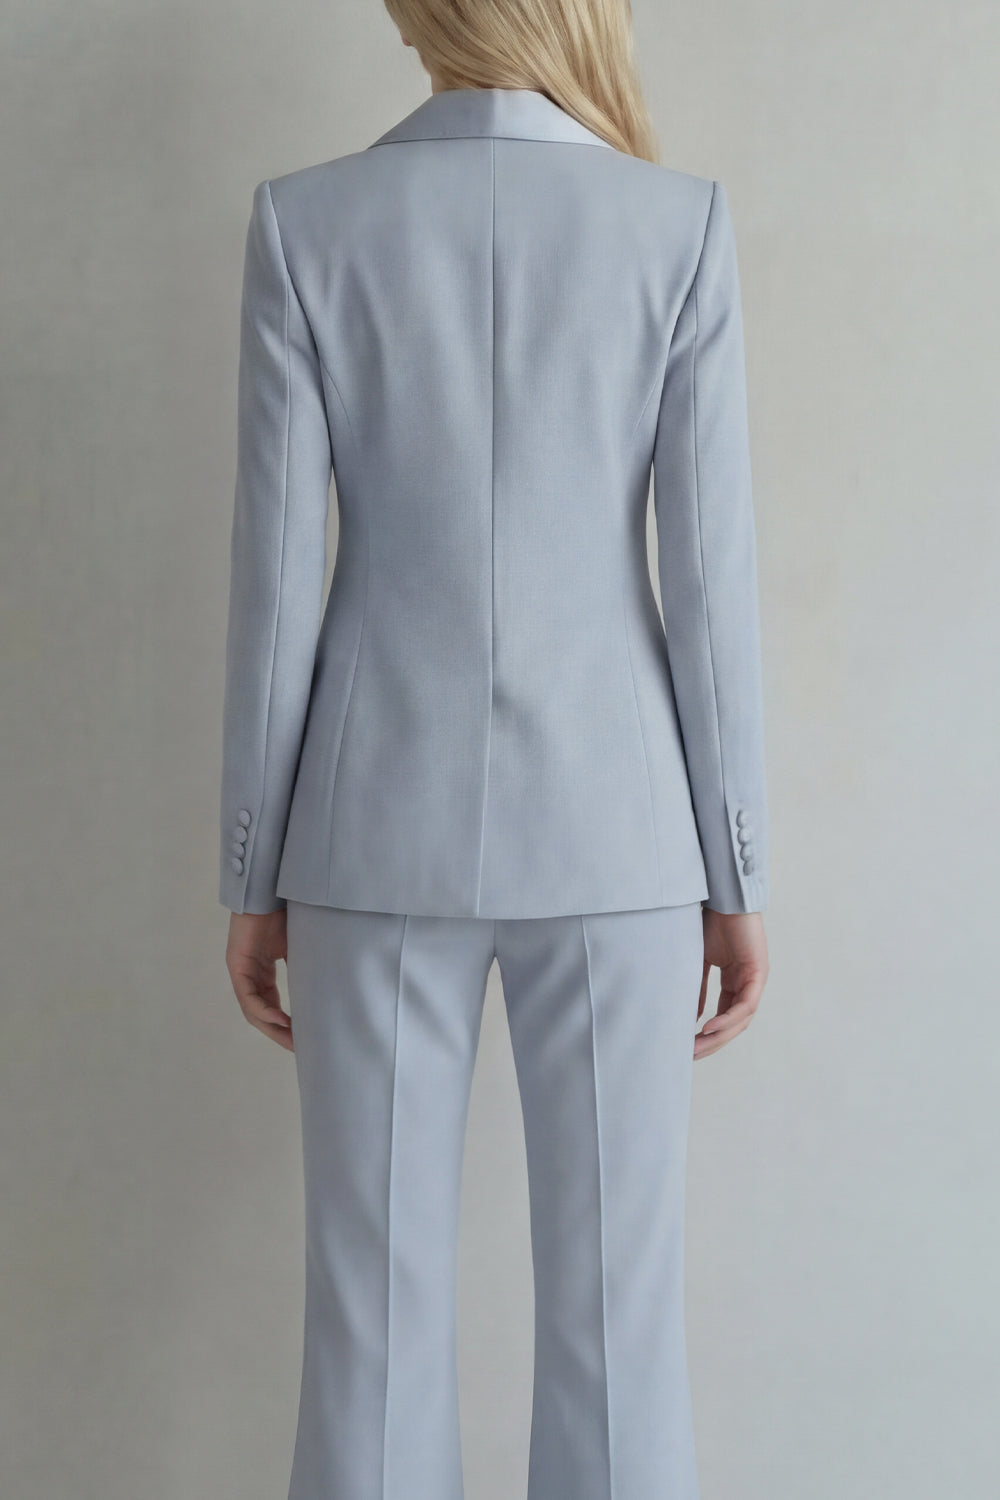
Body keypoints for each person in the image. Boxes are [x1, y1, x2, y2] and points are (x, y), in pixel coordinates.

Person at [219, 1, 770, 1495]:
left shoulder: (307, 224)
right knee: (619, 1328)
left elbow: (277, 588)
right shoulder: (675, 226)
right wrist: (736, 872)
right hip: (619, 831)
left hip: (366, 829)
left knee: (371, 1331)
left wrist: (253, 872)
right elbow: (709, 589)